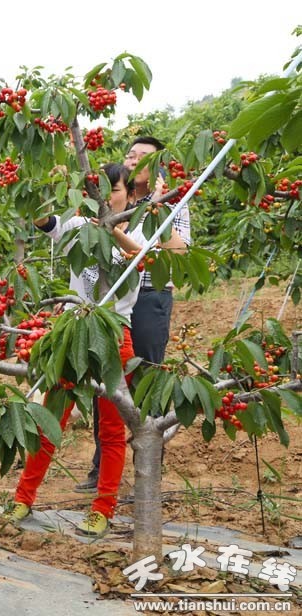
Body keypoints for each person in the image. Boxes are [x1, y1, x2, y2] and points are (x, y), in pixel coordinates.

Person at [4, 163, 185, 537]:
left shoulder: (141, 228)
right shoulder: (77, 225)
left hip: (115, 335)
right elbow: (42, 219)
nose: (104, 198)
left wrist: (111, 230)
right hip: (73, 335)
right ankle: (22, 498)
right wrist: (50, 183)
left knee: (112, 429)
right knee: (52, 418)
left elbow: (146, 259)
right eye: (95, 190)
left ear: (130, 195)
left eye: (113, 190)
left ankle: (103, 508)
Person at [75, 136, 192, 493]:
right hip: (112, 300)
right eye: (130, 155)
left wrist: (158, 206)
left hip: (150, 294)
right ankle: (101, 467)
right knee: (106, 380)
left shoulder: (171, 202)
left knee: (145, 379)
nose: (134, 161)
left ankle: (148, 470)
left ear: (158, 166)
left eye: (144, 157)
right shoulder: (111, 198)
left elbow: (180, 253)